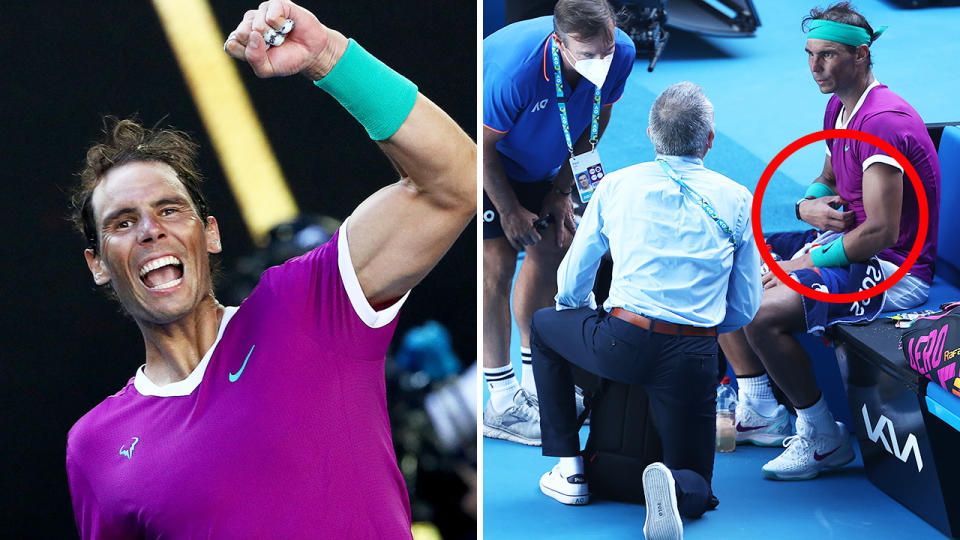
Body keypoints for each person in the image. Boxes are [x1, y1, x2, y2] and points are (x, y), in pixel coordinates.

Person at [64, 0, 476, 537]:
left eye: (169, 209)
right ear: (97, 264)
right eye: (122, 222)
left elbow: (454, 183)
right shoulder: (94, 446)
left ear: (209, 234)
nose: (150, 230)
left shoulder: (303, 305)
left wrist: (330, 56)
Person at [529, 82, 761, 539]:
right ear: (710, 140)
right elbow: (744, 305)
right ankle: (674, 486)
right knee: (699, 484)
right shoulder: (736, 198)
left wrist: (580, 318)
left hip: (621, 342)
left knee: (544, 326)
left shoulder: (616, 185)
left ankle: (570, 468)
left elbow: (574, 277)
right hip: (693, 357)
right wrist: (706, 332)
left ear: (651, 135)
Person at [722, 1, 941, 481]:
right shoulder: (840, 106)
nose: (814, 68)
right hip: (845, 243)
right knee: (723, 258)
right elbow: (827, 179)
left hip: (891, 270)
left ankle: (822, 436)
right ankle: (759, 406)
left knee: (758, 312)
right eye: (809, 54)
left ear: (862, 56)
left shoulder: (884, 122)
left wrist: (800, 264)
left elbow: (881, 233)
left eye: (827, 56)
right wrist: (808, 207)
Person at [482, 0, 635, 446]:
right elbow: (483, 150)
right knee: (496, 264)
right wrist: (509, 209)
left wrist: (562, 190)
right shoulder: (516, 72)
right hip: (490, 157)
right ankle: (503, 400)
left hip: (548, 155)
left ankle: (537, 383)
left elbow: (595, 120)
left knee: (551, 248)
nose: (601, 64)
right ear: (560, 45)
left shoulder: (619, 51)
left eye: (605, 49)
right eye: (588, 56)